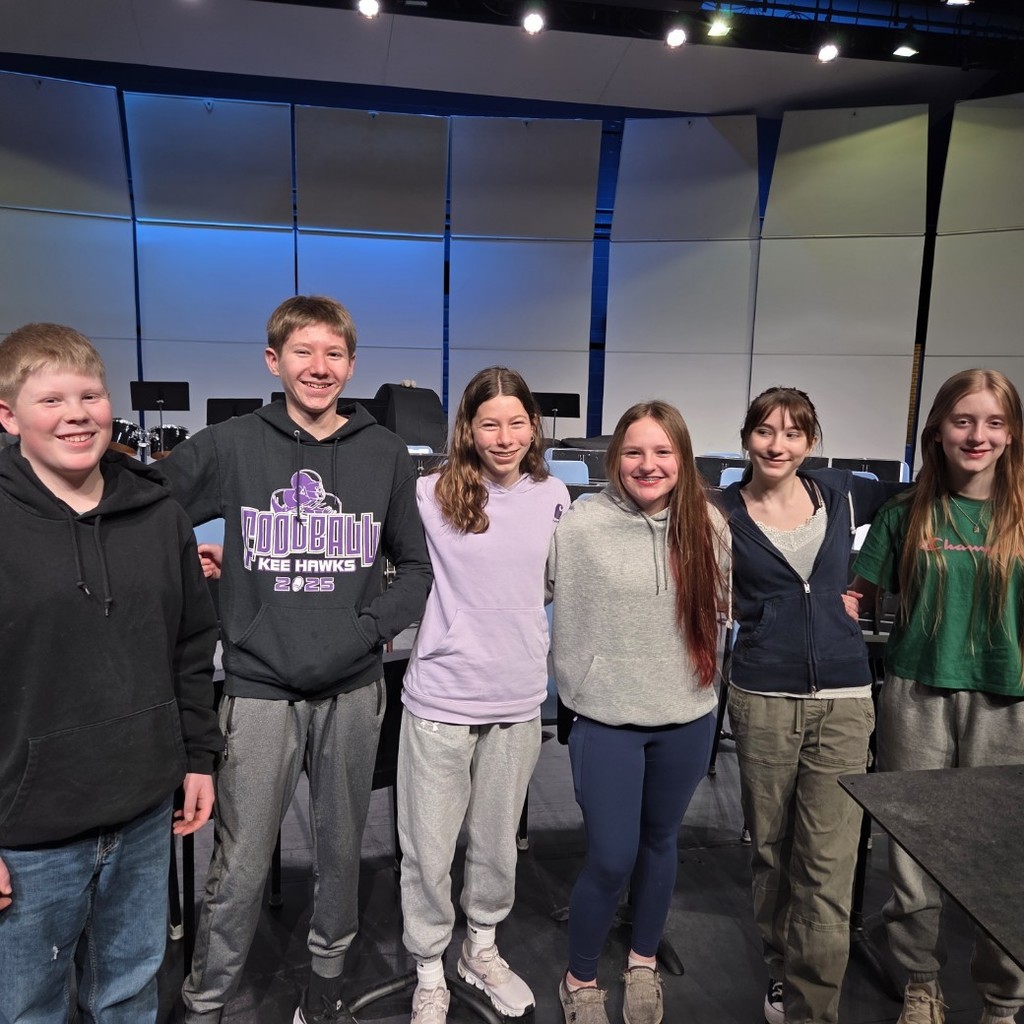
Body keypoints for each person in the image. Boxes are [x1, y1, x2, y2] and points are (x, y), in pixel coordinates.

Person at [159, 295, 433, 1024]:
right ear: (273, 360)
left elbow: (416, 568)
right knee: (241, 862)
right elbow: (147, 510)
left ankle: (326, 978)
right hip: (257, 685)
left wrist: (368, 629)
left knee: (342, 854)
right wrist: (193, 565)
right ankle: (208, 996)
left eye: (334, 354)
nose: (319, 368)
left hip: (351, 684)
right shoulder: (232, 444)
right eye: (303, 353)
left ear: (351, 363)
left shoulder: (382, 454)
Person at [0, 322, 220, 1024]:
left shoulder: (161, 515)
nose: (76, 414)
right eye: (51, 400)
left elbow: (190, 645)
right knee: (27, 1007)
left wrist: (197, 757)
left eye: (90, 395)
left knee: (129, 991)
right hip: (28, 831)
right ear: (8, 416)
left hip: (144, 809)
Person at [719, 386, 901, 1024]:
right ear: (747, 437)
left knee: (828, 861)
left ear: (811, 442)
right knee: (772, 849)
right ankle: (779, 968)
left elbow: (921, 496)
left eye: (793, 433)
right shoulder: (722, 510)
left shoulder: (844, 493)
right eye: (766, 432)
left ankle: (812, 1005)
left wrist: (859, 588)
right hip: (764, 695)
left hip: (846, 698)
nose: (778, 445)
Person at [547, 400, 730, 1024]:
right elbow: (533, 593)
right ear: (613, 458)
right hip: (606, 719)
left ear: (681, 458)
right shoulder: (580, 524)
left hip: (687, 716)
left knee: (660, 842)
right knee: (609, 856)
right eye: (634, 452)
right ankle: (581, 977)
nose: (648, 465)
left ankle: (643, 963)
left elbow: (719, 614)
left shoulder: (708, 524)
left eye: (661, 452)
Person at [397, 366, 569, 1024]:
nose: (503, 437)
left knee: (497, 846)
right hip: (442, 698)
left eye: (516, 422)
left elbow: (547, 584)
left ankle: (482, 950)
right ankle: (429, 968)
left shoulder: (554, 494)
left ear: (534, 427)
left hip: (518, 699)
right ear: (466, 429)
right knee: (429, 850)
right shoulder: (428, 493)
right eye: (488, 423)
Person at [852, 369, 1024, 1024]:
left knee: (1000, 853)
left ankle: (1003, 1001)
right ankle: (921, 981)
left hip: (1009, 701)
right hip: (916, 693)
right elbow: (853, 599)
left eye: (993, 422)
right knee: (914, 848)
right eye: (962, 420)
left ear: (1011, 434)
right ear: (939, 431)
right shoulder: (905, 513)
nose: (977, 435)